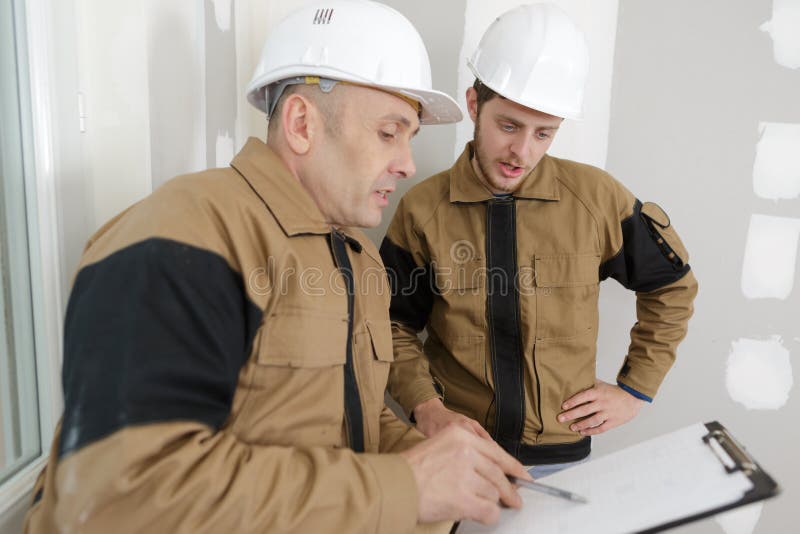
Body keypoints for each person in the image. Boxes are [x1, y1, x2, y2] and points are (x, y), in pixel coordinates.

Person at [23, 2, 532, 532]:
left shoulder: (359, 260)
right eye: (389, 132)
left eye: (410, 138)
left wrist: (451, 469)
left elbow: (351, 419)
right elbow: (124, 499)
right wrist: (408, 485)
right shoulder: (184, 234)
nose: (407, 163)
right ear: (301, 124)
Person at [381, 2, 699, 478]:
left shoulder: (597, 199)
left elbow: (672, 288)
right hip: (456, 453)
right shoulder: (422, 209)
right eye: (508, 126)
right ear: (474, 105)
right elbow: (389, 324)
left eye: (544, 133)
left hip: (562, 460)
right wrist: (425, 407)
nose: (522, 152)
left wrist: (636, 389)